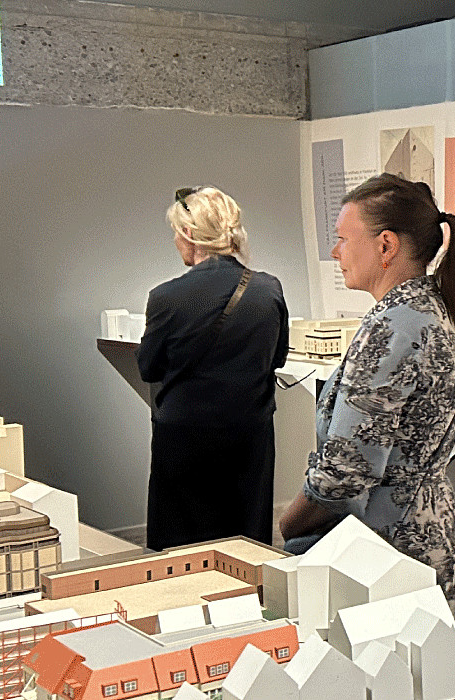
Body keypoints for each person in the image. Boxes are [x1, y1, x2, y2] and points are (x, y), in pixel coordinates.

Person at [278, 173, 455, 619]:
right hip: (434, 540)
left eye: (343, 239)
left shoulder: (393, 327)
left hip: (392, 559)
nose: (335, 252)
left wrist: (288, 523)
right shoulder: (430, 309)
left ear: (386, 245)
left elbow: (345, 473)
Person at [138, 186, 288, 552]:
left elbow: (148, 368)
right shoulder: (268, 290)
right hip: (249, 438)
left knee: (181, 547)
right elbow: (278, 357)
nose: (175, 240)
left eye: (176, 232)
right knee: (246, 542)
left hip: (184, 439)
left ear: (189, 234)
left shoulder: (165, 297)